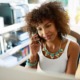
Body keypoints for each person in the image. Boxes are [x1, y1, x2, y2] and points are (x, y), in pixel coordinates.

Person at [25, 1, 80, 75]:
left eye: (48, 26)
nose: (44, 33)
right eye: (39, 29)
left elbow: (69, 78)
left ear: (57, 25)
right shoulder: (38, 46)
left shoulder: (73, 47)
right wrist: (33, 55)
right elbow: (28, 75)